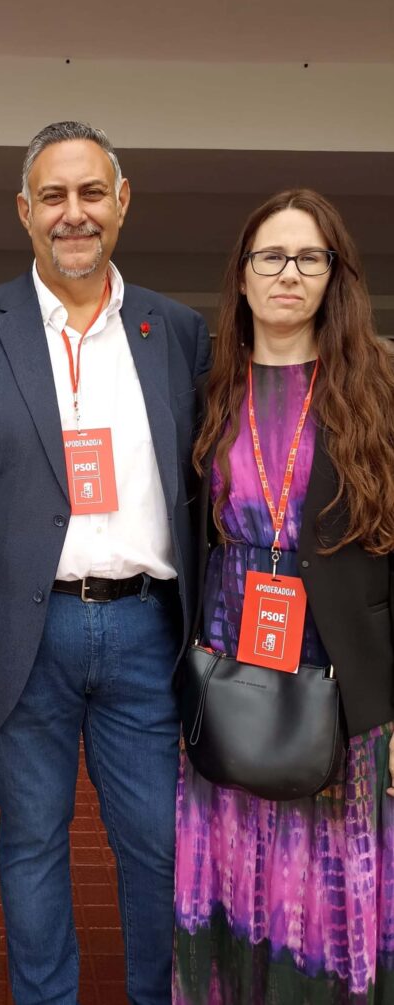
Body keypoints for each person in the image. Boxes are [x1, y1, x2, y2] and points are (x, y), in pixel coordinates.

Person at [0, 121, 212, 1005]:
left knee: (157, 842)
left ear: (121, 203)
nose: (71, 214)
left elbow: (203, 484)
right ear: (24, 211)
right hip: (17, 634)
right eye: (52, 196)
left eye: (89, 194)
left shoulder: (178, 332)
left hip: (147, 630)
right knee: (31, 837)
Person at [174, 189, 394, 1003]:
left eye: (310, 257)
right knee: (235, 878)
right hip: (230, 674)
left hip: (342, 685)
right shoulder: (208, 396)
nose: (289, 274)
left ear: (335, 276)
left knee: (324, 894)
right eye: (272, 256)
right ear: (241, 276)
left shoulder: (377, 389)